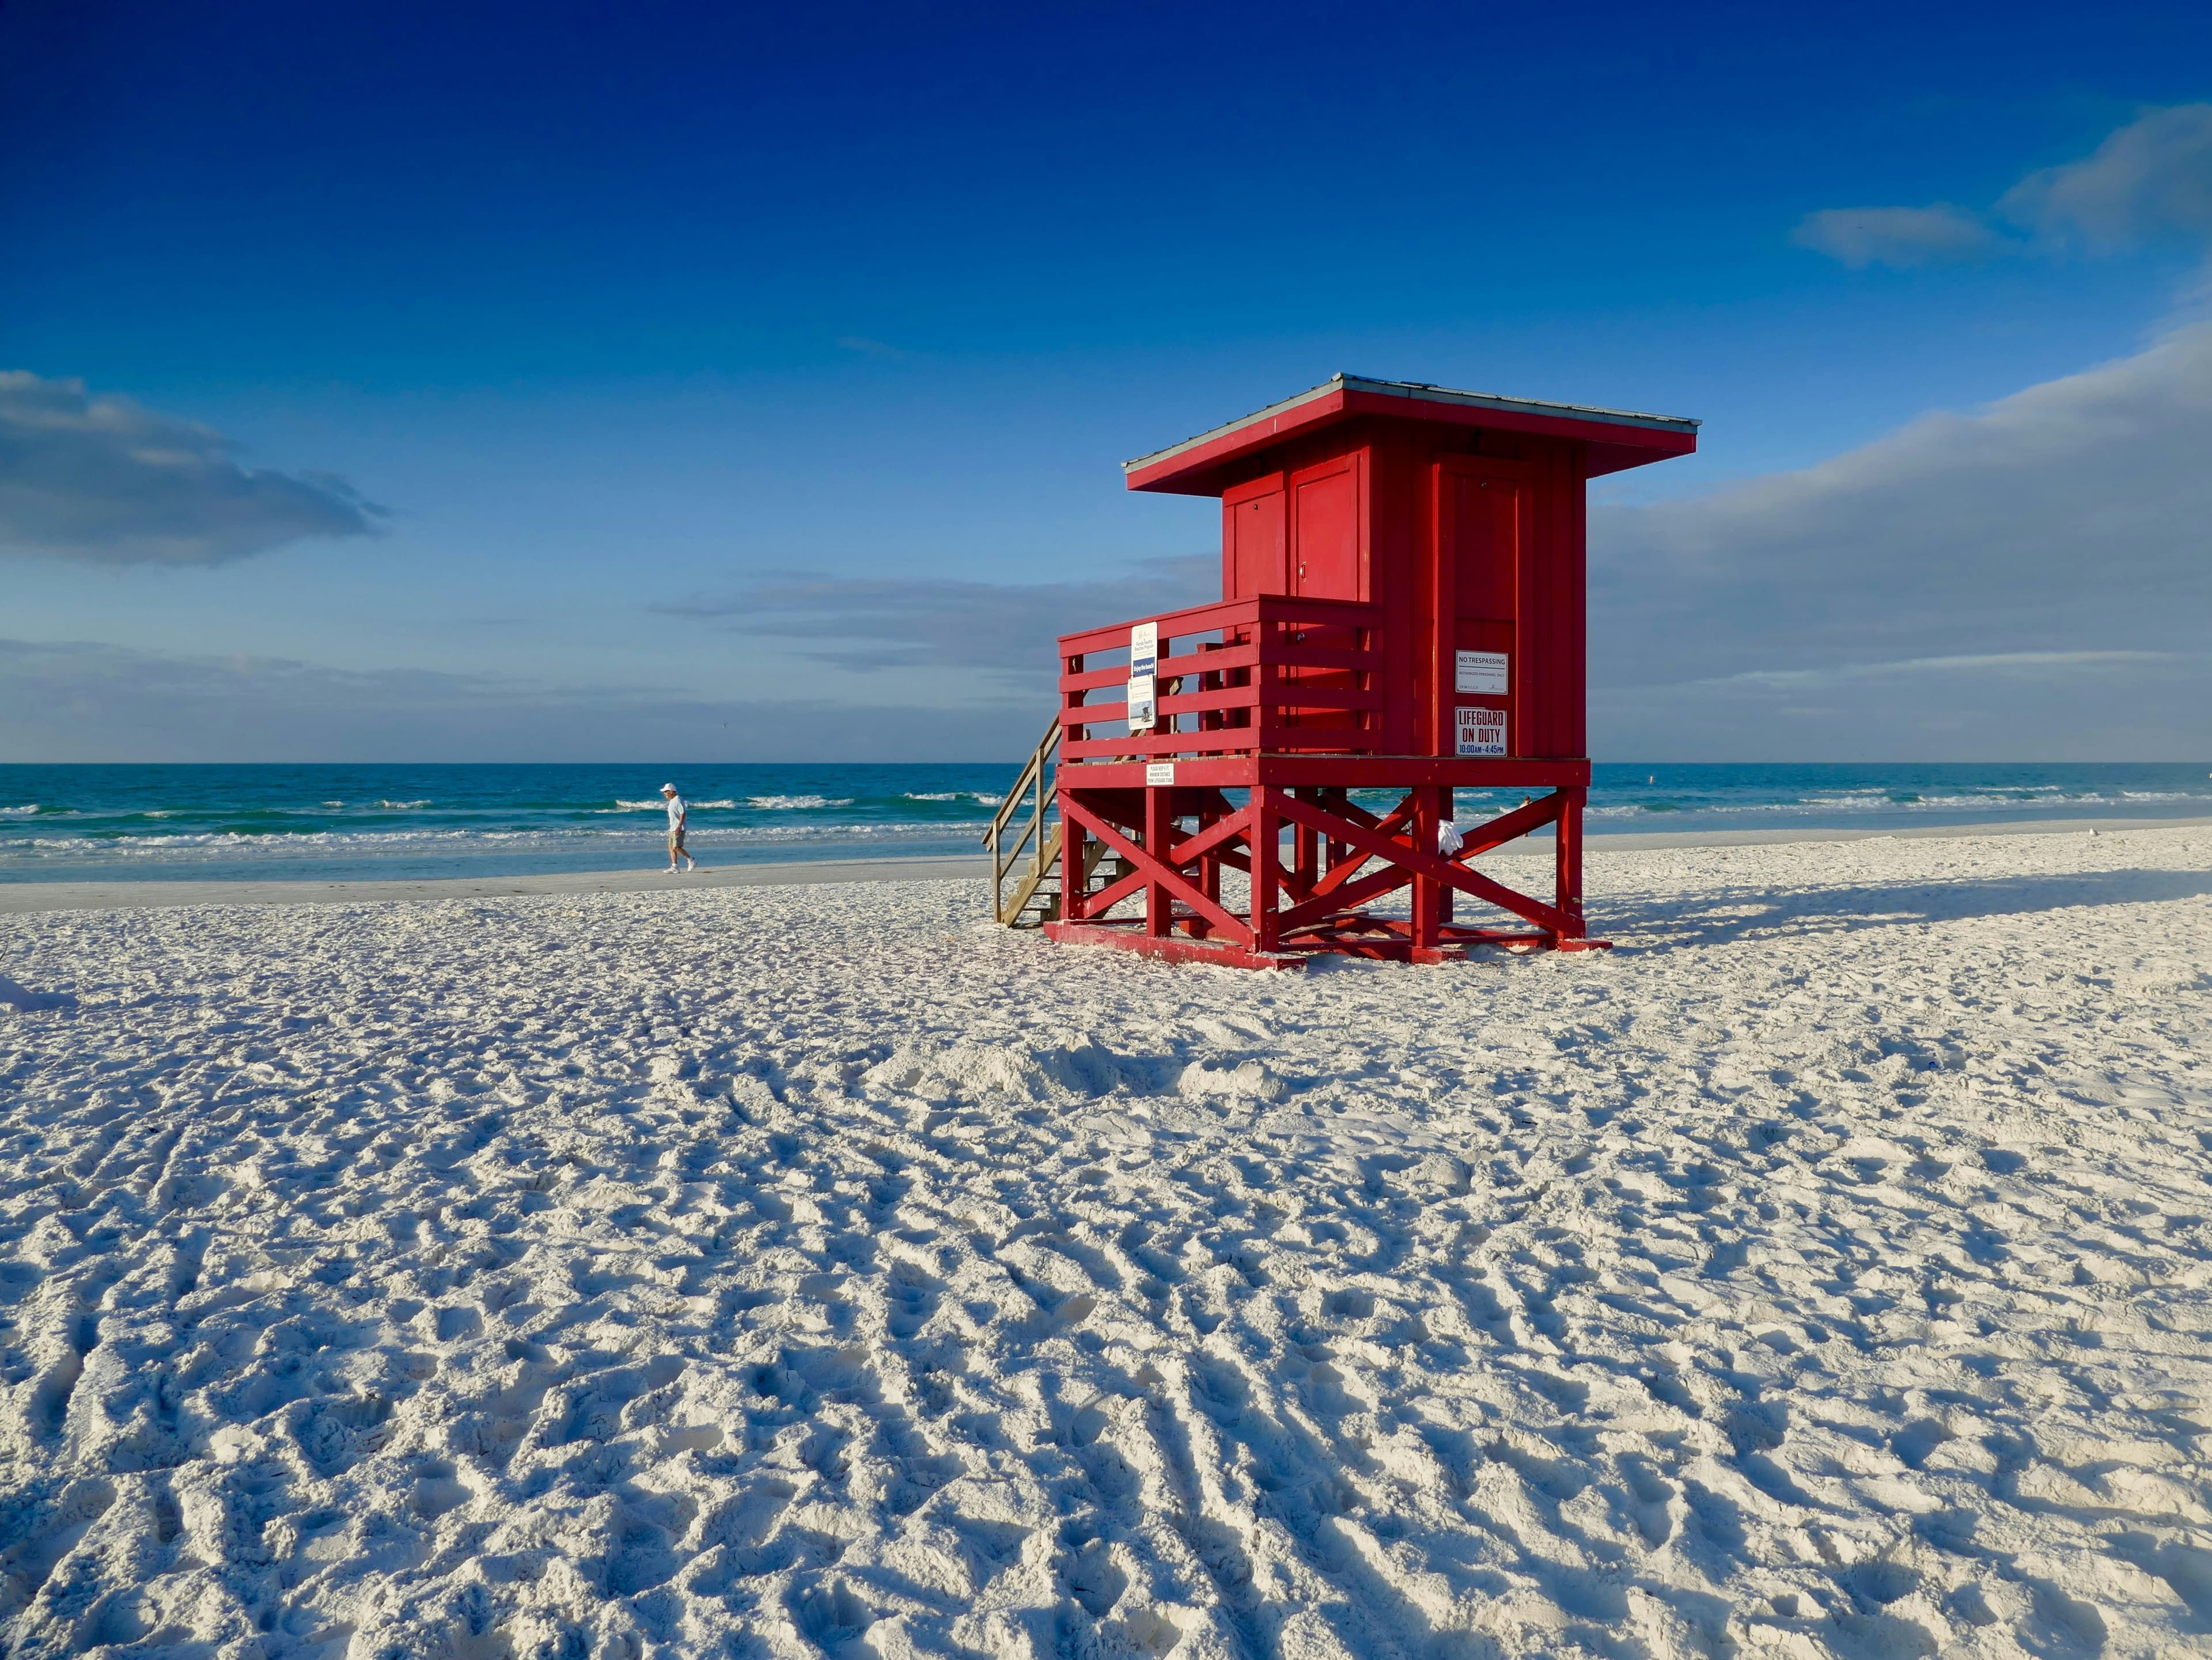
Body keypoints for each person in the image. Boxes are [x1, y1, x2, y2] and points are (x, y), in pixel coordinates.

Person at [660, 782, 695, 872]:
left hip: (679, 828)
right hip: (673, 827)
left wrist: (679, 826)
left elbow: (683, 814)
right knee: (671, 847)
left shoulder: (678, 799)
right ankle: (675, 867)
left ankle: (691, 860)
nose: (665, 794)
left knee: (677, 847)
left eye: (666, 792)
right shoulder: (672, 801)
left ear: (671, 792)